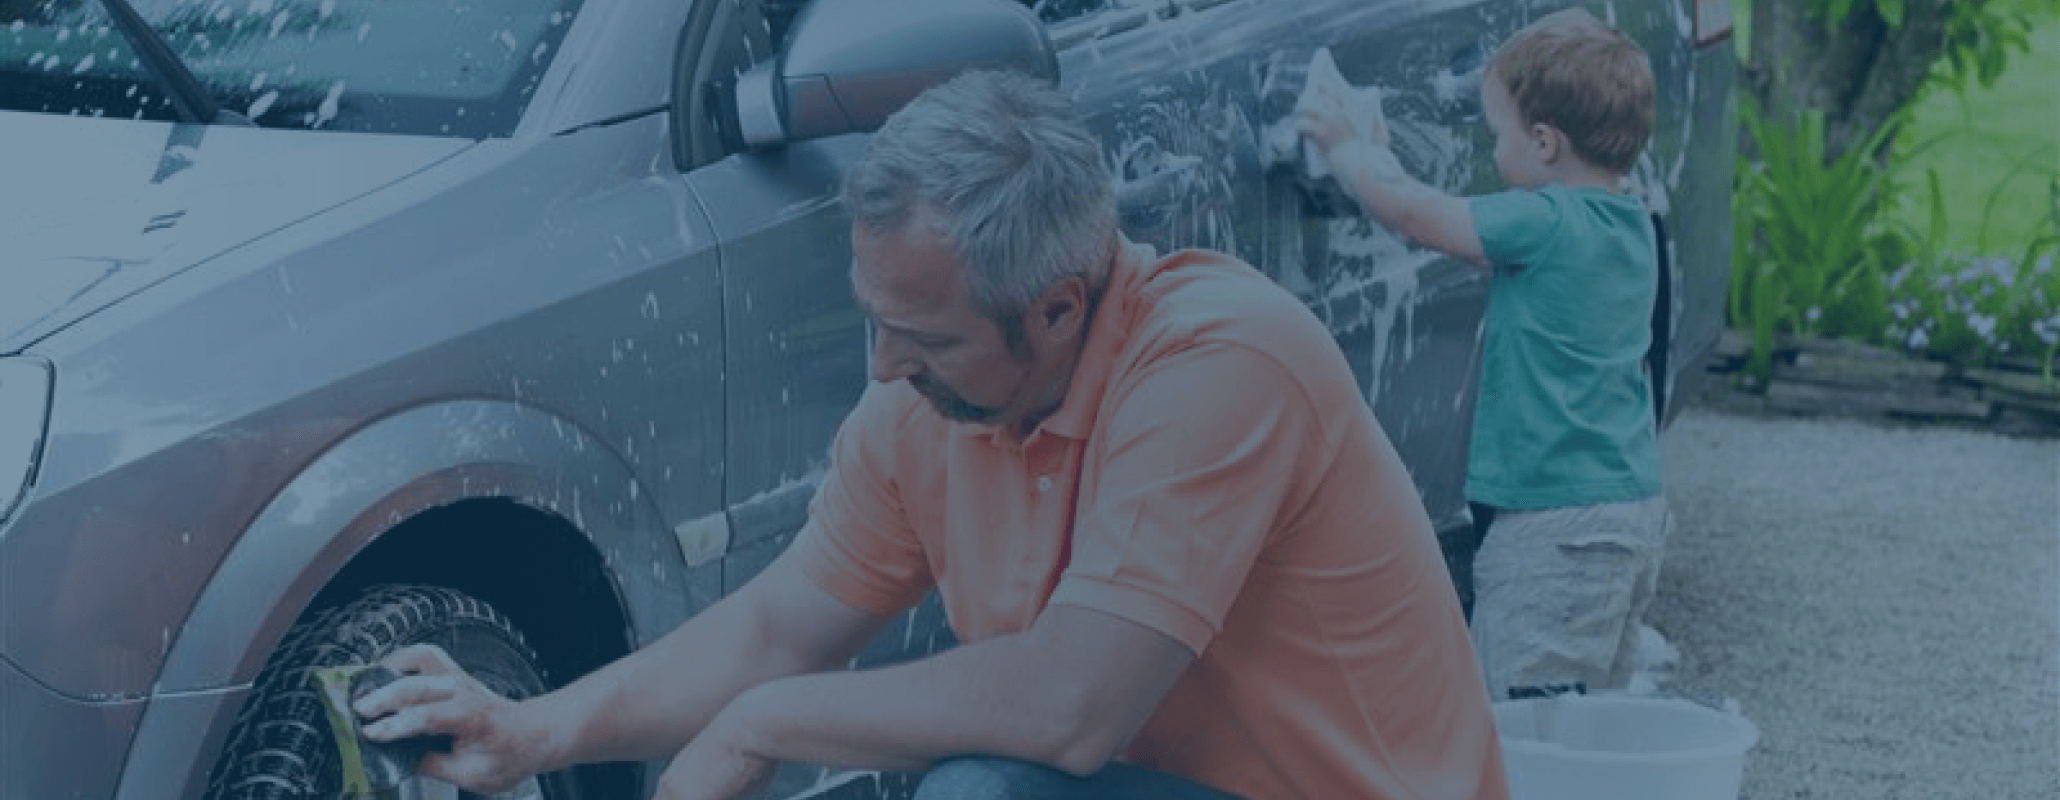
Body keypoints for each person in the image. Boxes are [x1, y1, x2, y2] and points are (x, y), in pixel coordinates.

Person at [355, 69, 1508, 800]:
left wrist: (764, 725)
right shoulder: (923, 408)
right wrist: (529, 731)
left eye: (928, 340)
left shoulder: (1221, 362)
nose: (884, 369)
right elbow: (774, 624)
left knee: (978, 793)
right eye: (874, 322)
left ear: (1059, 303)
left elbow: (1068, 706)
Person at [1296, 8, 1670, 701]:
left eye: (1497, 135)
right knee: (1595, 722)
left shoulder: (1544, 220)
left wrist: (1347, 151)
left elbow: (1422, 219)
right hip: (1630, 509)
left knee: (1523, 723)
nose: (1493, 151)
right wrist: (1389, 164)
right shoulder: (1631, 223)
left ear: (1545, 141)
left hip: (1554, 527)